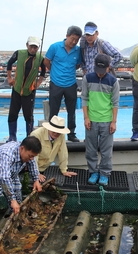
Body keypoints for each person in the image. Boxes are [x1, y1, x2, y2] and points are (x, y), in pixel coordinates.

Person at [0, 136, 43, 231]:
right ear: (22, 148)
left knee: (18, 204)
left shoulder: (26, 151)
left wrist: (36, 179)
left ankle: (14, 226)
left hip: (11, 176)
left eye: (33, 156)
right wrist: (12, 200)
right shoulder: (6, 154)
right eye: (30, 156)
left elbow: (32, 162)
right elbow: (4, 178)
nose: (31, 158)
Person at [81, 54, 119, 187]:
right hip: (91, 120)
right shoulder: (87, 78)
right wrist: (86, 117)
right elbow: (84, 98)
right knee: (90, 149)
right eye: (98, 70)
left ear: (109, 68)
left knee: (106, 151)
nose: (100, 73)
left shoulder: (113, 82)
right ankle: (93, 171)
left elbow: (115, 103)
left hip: (106, 120)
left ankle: (104, 173)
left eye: (103, 71)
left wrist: (113, 121)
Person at [44, 26, 83, 142]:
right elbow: (46, 61)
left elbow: (78, 65)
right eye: (72, 38)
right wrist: (54, 71)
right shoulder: (55, 47)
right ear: (67, 36)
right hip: (56, 83)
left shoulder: (78, 50)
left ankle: (71, 133)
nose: (74, 42)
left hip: (71, 84)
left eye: (77, 40)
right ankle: (52, 134)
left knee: (71, 111)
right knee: (54, 111)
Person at [5, 36, 46, 140]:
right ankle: (12, 136)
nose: (33, 49)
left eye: (35, 47)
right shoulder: (19, 53)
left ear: (38, 47)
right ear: (27, 45)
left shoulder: (40, 58)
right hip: (17, 89)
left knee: (28, 115)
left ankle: (29, 137)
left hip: (29, 91)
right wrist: (9, 78)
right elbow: (9, 63)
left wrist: (39, 82)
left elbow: (43, 71)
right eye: (31, 46)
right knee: (13, 113)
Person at [29, 115, 77, 181]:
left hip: (45, 168)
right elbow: (33, 156)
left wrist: (64, 170)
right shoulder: (36, 135)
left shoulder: (61, 136)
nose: (56, 133)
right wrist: (36, 173)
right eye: (54, 131)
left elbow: (63, 152)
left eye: (58, 132)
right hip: (29, 168)